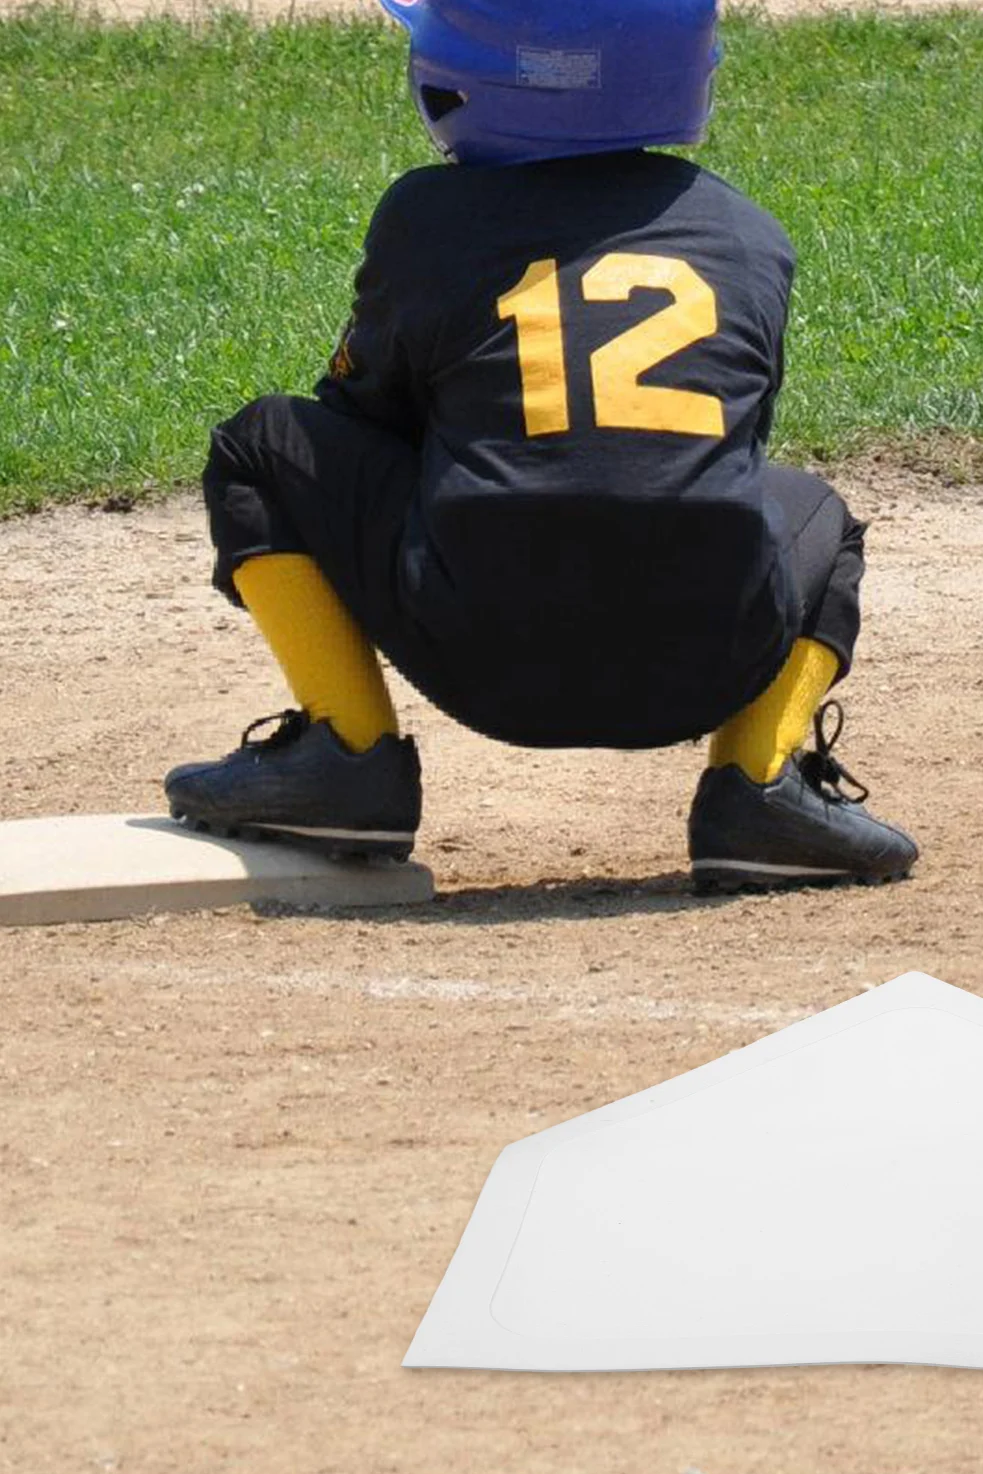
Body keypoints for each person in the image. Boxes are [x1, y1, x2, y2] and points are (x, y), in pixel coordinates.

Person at [164, 0, 917, 892]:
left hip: (483, 651)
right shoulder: (750, 233)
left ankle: (349, 756)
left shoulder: (427, 217)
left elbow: (362, 418)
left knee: (262, 445)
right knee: (820, 515)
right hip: (709, 656)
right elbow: (733, 449)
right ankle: (757, 784)